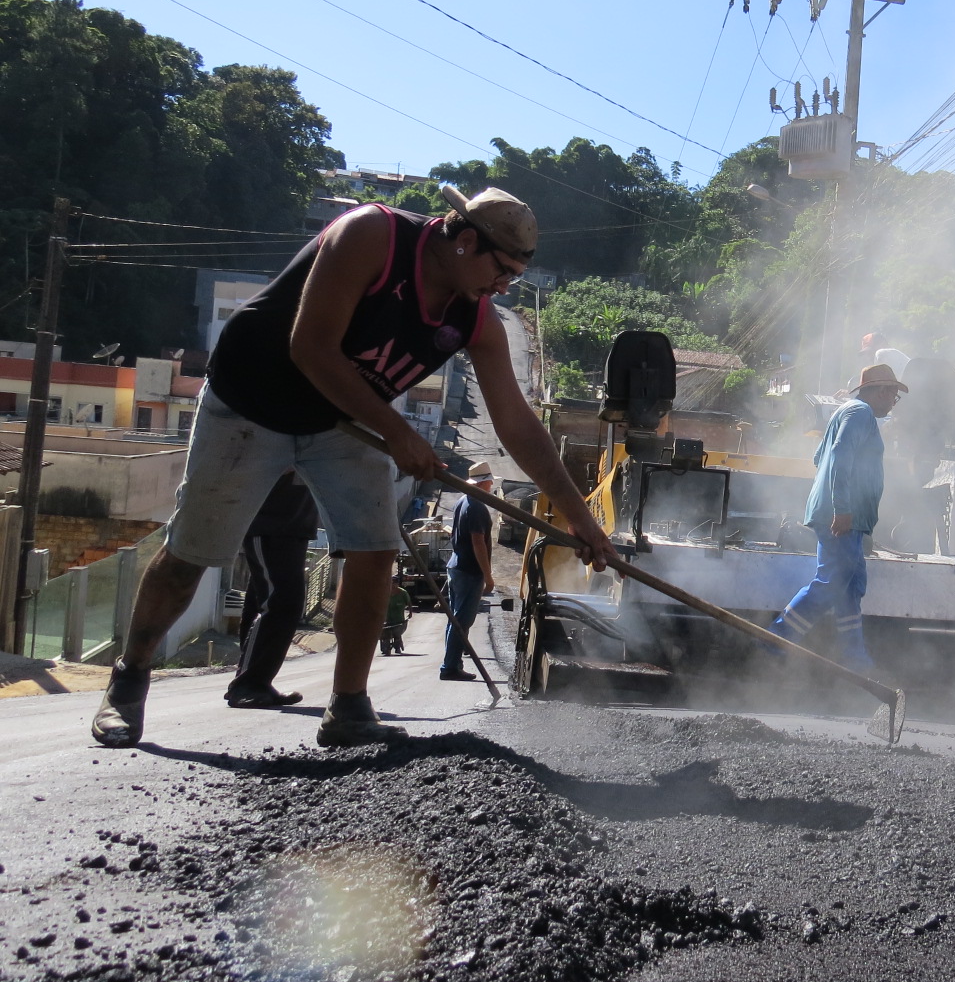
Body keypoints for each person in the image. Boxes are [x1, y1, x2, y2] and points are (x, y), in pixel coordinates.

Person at [91, 185, 616, 749]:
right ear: (465, 241)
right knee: (192, 552)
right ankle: (129, 677)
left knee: (373, 549)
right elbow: (311, 346)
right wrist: (398, 433)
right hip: (251, 403)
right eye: (503, 270)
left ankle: (347, 705)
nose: (504, 287)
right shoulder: (372, 236)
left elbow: (518, 426)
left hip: (342, 418)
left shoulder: (475, 319)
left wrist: (579, 519)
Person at [769, 363, 908, 673]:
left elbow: (820, 457)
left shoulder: (847, 412)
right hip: (842, 516)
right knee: (831, 582)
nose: (893, 402)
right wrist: (842, 509)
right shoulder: (860, 414)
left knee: (851, 585)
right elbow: (840, 456)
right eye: (894, 396)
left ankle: (854, 656)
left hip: (849, 517)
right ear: (882, 391)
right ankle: (776, 639)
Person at [224, 471, 321, 709]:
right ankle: (249, 683)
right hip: (271, 525)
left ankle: (253, 681)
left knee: (266, 602)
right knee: (280, 602)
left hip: (293, 527)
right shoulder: (289, 438)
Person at [440, 462, 495, 682]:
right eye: (490, 481)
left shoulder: (462, 502)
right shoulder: (477, 507)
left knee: (455, 620)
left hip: (457, 566)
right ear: (484, 483)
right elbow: (478, 543)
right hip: (469, 570)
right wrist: (488, 576)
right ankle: (450, 667)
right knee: (462, 621)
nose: (492, 484)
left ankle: (452, 663)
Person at [381, 575, 411, 656]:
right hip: (388, 617)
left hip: (398, 618)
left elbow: (409, 603)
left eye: (394, 583)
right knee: (385, 633)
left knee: (397, 633)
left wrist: (410, 612)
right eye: (391, 583)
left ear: (397, 584)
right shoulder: (385, 592)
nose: (393, 585)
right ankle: (385, 646)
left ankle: (397, 645)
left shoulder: (403, 593)